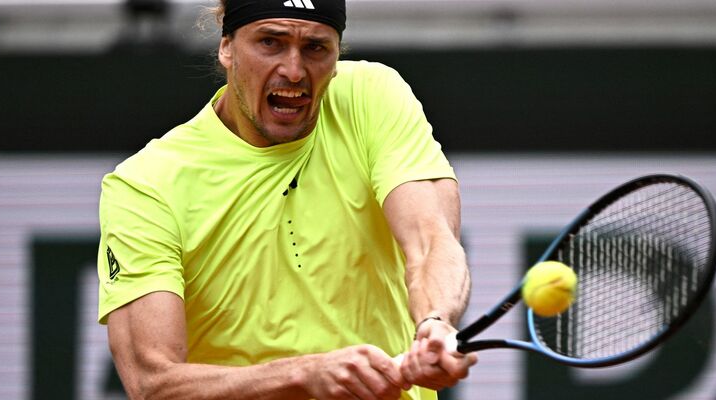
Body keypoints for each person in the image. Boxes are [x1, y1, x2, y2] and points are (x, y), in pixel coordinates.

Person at [96, 0, 477, 398]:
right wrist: (304, 374)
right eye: (270, 43)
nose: (294, 71)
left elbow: (432, 240)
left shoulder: (372, 97)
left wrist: (435, 322)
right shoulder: (145, 185)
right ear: (226, 47)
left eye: (315, 48)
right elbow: (152, 382)